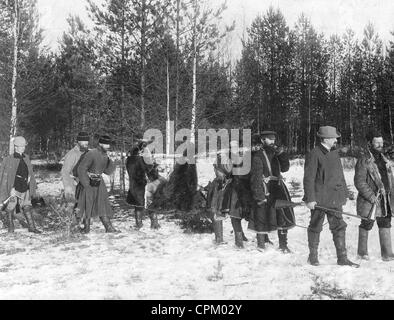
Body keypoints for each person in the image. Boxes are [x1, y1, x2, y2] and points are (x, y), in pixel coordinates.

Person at [303, 126, 359, 267]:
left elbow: (340, 176)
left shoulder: (334, 153)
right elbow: (308, 178)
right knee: (315, 227)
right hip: (319, 199)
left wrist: (344, 193)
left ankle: (342, 258)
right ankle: (313, 257)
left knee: (339, 227)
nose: (336, 140)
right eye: (334, 138)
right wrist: (310, 199)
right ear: (326, 139)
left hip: (334, 198)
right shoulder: (314, 153)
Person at [248, 131, 295, 252]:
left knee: (282, 215)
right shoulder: (258, 156)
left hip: (278, 187)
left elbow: (285, 169)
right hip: (265, 188)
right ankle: (261, 244)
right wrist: (259, 195)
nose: (273, 142)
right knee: (261, 214)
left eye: (274, 139)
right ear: (263, 140)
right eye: (269, 139)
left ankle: (283, 245)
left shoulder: (276, 153)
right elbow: (256, 178)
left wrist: (282, 154)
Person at [354, 131, 394, 261]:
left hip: (385, 198)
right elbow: (359, 182)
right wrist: (371, 197)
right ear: (370, 143)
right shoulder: (364, 160)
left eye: (381, 142)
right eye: (377, 142)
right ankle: (362, 253)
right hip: (371, 200)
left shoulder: (384, 158)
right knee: (367, 223)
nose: (380, 144)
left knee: (386, 222)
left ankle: (387, 254)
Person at [76, 135, 119, 233]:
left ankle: (108, 227)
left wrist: (112, 162)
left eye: (109, 144)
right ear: (100, 144)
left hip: (99, 183)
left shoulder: (105, 155)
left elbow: (107, 171)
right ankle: (86, 228)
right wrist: (86, 183)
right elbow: (81, 168)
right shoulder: (91, 153)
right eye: (106, 144)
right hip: (88, 183)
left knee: (102, 204)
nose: (108, 146)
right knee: (87, 205)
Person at [0, 136, 41, 234]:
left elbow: (30, 172)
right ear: (15, 147)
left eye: (24, 146)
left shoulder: (26, 157)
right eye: (21, 146)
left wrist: (32, 185)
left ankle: (32, 227)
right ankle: (11, 229)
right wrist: (11, 188)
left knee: (27, 206)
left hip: (25, 187)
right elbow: (6, 176)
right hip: (14, 189)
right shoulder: (8, 159)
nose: (23, 148)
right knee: (10, 207)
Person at [126, 139, 161, 230]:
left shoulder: (129, 160)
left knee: (138, 206)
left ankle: (138, 224)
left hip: (134, 185)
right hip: (143, 185)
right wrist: (155, 166)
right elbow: (150, 172)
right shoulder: (141, 160)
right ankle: (154, 223)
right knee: (150, 203)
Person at [60, 131, 90, 226]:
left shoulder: (87, 153)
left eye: (87, 143)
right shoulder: (72, 154)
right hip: (73, 185)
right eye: (83, 142)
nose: (85, 144)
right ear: (78, 142)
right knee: (71, 205)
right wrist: (69, 187)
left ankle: (83, 224)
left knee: (84, 204)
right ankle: (69, 226)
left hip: (84, 184)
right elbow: (65, 172)